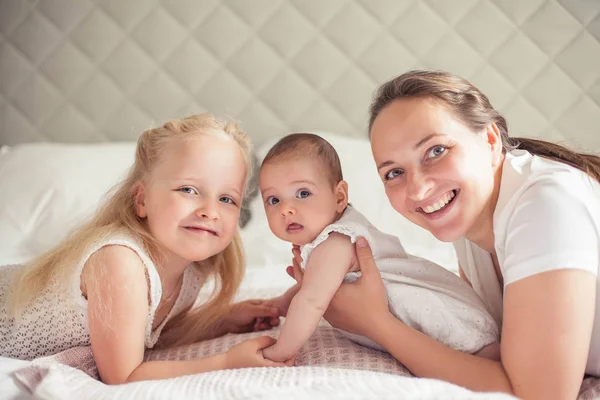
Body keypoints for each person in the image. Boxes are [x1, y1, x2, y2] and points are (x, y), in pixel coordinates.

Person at [287, 70, 600, 399]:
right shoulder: (471, 219)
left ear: (491, 140)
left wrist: (377, 323)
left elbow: (539, 395)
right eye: (394, 172)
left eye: (436, 151)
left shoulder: (544, 203)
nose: (419, 190)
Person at [0, 114, 292, 385]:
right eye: (188, 190)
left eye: (227, 199)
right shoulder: (120, 262)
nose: (210, 211)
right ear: (141, 200)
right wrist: (228, 361)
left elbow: (147, 334)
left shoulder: (191, 269)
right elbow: (123, 376)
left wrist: (220, 320)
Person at [258, 133, 499, 363]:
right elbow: (314, 285)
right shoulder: (332, 237)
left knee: (481, 358)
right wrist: (281, 304)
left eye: (303, 193)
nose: (286, 209)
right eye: (274, 200)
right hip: (444, 315)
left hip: (442, 319)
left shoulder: (335, 242)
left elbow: (312, 300)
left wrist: (281, 351)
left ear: (340, 197)